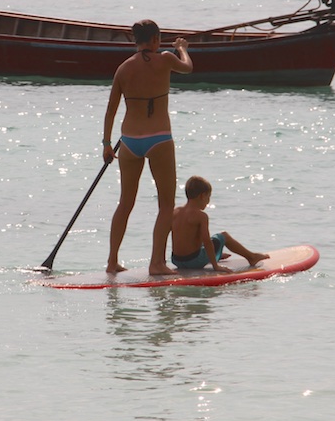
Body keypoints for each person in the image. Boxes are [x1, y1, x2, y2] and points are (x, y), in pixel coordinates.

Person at [102, 19, 192, 275]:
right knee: (165, 204)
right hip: (159, 139)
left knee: (125, 202)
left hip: (129, 141)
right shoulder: (166, 59)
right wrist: (181, 47)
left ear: (135, 40)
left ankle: (112, 262)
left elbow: (111, 110)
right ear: (155, 39)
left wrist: (107, 144)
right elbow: (187, 68)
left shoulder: (123, 68)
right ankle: (156, 263)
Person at [171, 175, 269, 272]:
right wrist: (215, 266)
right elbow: (207, 242)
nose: (208, 202)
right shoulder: (201, 216)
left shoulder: (175, 212)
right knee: (224, 236)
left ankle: (216, 254)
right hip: (194, 261)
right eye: (208, 197)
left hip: (177, 260)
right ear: (202, 196)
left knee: (192, 236)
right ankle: (251, 257)